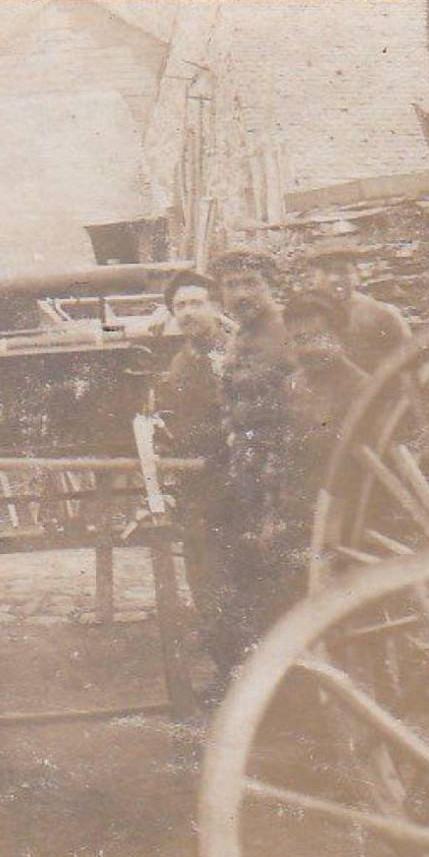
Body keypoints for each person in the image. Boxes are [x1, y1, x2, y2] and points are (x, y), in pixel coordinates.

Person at [207, 247, 303, 664]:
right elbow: (229, 402)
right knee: (250, 577)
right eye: (232, 286)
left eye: (251, 283)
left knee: (284, 579)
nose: (241, 293)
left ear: (270, 286)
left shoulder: (290, 331)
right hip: (247, 474)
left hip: (286, 477)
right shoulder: (237, 337)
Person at [153, 270, 238, 678]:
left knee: (245, 583)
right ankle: (229, 674)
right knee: (206, 585)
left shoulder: (238, 351)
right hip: (198, 490)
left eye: (196, 303)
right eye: (180, 306)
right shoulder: (179, 363)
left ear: (218, 306)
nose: (187, 312)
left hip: (241, 485)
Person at [299, 238, 412, 376]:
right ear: (313, 277)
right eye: (326, 271)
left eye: (342, 271)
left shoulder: (381, 314)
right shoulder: (305, 317)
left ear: (355, 275)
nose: (334, 278)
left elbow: (409, 361)